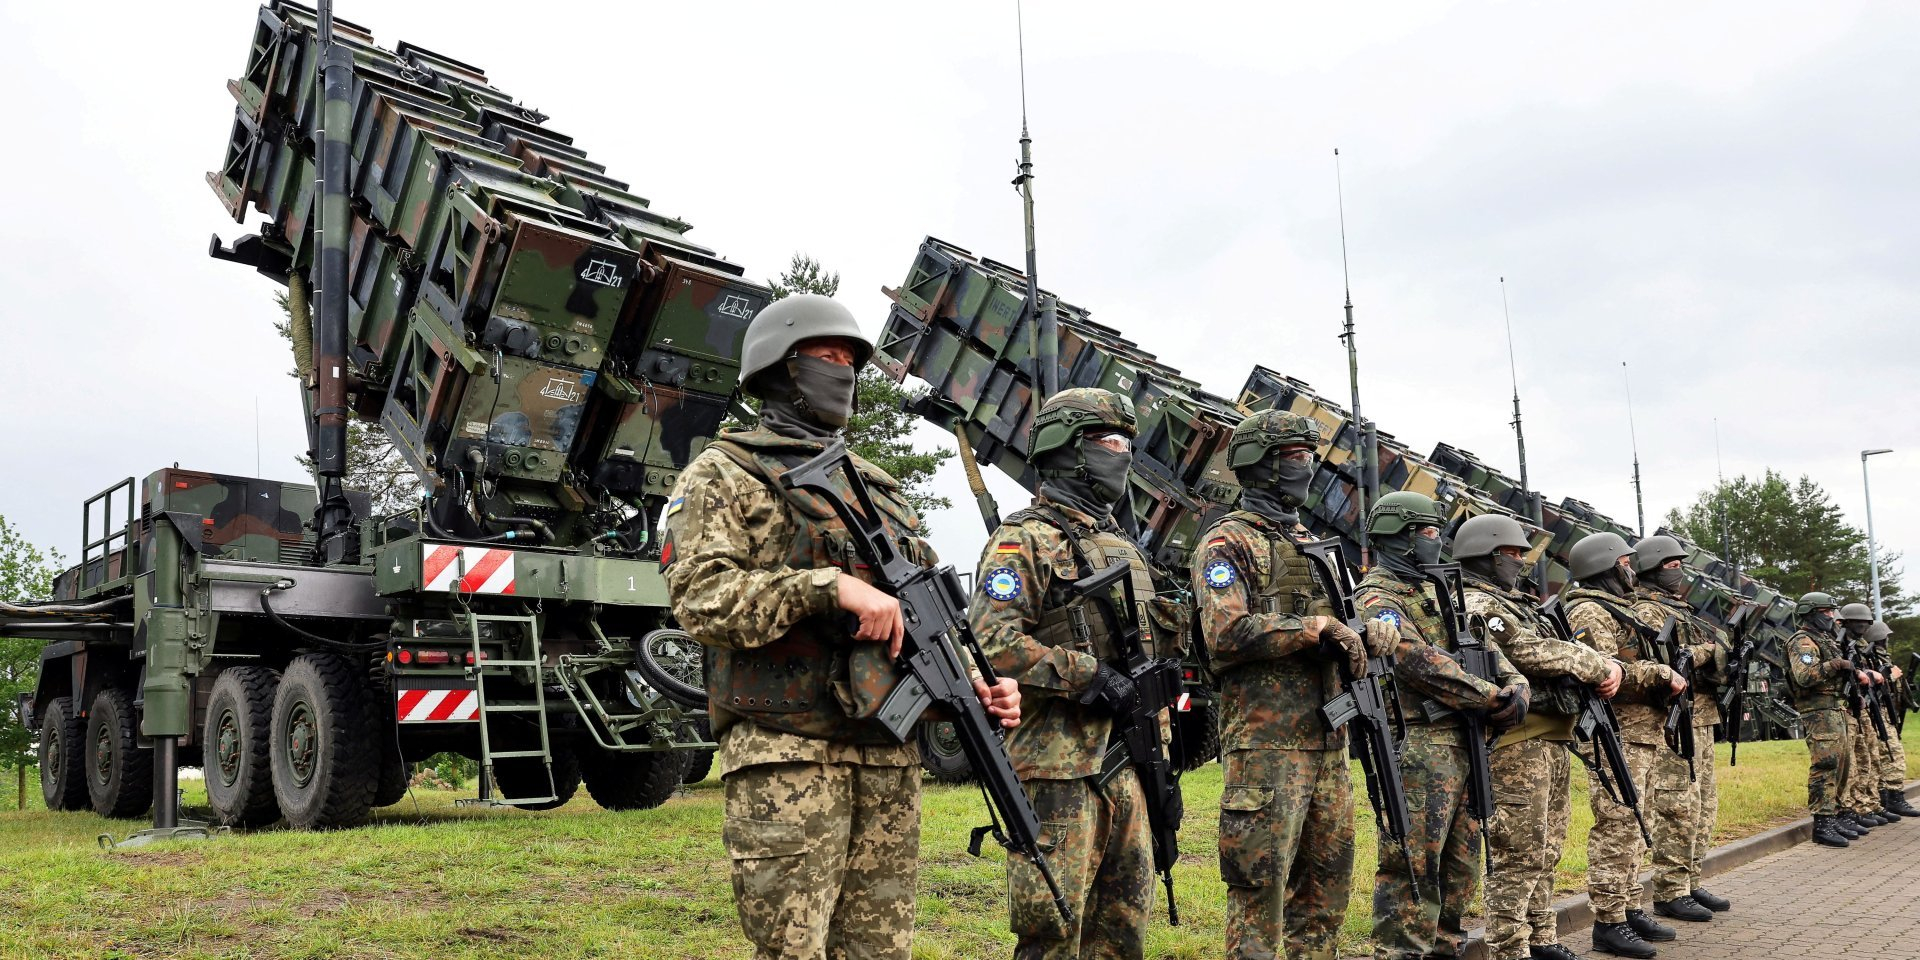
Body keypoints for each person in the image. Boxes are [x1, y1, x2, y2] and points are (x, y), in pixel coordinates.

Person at [663, 293, 1021, 960]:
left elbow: (927, 618)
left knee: (880, 951)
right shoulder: (722, 474)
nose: (844, 372)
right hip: (788, 753)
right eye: (826, 358)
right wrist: (829, 588)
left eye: (851, 361)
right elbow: (700, 598)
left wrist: (977, 686)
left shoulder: (880, 489)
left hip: (887, 756)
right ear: (777, 368)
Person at [970, 387, 1181, 960]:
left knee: (1122, 927)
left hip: (1130, 763)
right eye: (1109, 441)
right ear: (1068, 448)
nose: (1123, 455)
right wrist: (1088, 676)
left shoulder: (1123, 549)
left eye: (1126, 443)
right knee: (1053, 931)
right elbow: (992, 642)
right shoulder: (1023, 541)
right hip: (1058, 768)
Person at [1191, 410, 1378, 960]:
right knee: (1260, 895)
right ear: (1263, 465)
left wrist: (1369, 631)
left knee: (1326, 893)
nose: (1308, 468)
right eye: (1297, 457)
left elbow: (1340, 618)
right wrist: (1309, 629)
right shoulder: (1229, 543)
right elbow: (1224, 632)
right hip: (1267, 747)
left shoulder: (1313, 544)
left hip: (1329, 740)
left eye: (1308, 457)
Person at [1355, 492, 1528, 960]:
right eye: (1430, 533)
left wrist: (1516, 685)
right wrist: (1492, 696)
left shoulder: (1439, 591)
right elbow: (1418, 663)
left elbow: (1488, 649)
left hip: (1465, 741)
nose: (1439, 541)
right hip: (1418, 746)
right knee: (1412, 866)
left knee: (1460, 866)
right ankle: (1402, 952)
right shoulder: (1378, 597)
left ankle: (1447, 947)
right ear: (1404, 538)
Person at [1454, 514, 1621, 960]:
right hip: (1516, 745)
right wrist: (1597, 664)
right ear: (1485, 556)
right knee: (1518, 852)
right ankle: (1510, 947)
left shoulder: (1514, 602)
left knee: (1547, 848)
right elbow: (1526, 650)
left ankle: (1541, 935)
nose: (1519, 562)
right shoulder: (1476, 603)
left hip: (1550, 738)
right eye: (1511, 554)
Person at [1561, 532, 1687, 959]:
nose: (1631, 569)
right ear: (1606, 566)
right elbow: (1605, 673)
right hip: (1616, 732)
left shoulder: (1619, 609)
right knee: (1617, 826)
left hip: (1641, 732)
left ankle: (1629, 906)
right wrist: (1659, 674)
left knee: (1637, 821)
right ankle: (1608, 922)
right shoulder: (1590, 610)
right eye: (1625, 562)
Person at [1628, 536, 1724, 924]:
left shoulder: (1683, 609)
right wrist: (1706, 651)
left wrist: (1706, 652)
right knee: (1676, 806)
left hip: (1701, 715)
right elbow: (1666, 658)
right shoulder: (1647, 612)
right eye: (1671, 564)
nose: (1679, 569)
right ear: (1651, 567)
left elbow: (1718, 645)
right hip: (1674, 720)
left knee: (1703, 805)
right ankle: (1670, 889)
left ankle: (1690, 878)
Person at [1783, 592, 1862, 849]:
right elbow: (1805, 676)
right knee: (1826, 764)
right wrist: (1836, 665)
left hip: (1834, 708)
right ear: (1811, 613)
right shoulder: (1802, 642)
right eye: (1826, 611)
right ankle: (1822, 822)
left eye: (1831, 611)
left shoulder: (1824, 639)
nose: (1831, 616)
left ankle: (1835, 814)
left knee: (1842, 764)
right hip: (1818, 711)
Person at [1837, 603, 1902, 826]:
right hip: (1846, 709)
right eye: (1858, 622)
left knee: (1869, 758)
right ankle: (1856, 807)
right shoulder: (1840, 645)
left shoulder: (1857, 648)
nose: (1862, 627)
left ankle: (1869, 804)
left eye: (1865, 623)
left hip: (1862, 707)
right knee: (1855, 762)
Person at [1864, 619, 1920, 818]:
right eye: (1885, 638)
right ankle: (1893, 798)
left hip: (1887, 714)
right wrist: (1891, 676)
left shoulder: (1880, 658)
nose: (1887, 641)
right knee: (1892, 755)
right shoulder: (1870, 658)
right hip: (1878, 714)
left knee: (1887, 756)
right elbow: (1872, 684)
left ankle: (1888, 798)